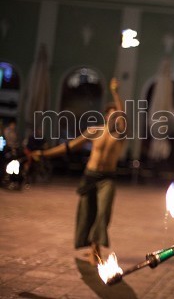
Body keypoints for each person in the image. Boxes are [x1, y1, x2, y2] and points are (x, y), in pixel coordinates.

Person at [32, 77, 126, 266]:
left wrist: (115, 92)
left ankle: (95, 250)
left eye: (117, 114)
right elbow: (69, 147)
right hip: (90, 176)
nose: (115, 117)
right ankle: (89, 247)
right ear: (106, 116)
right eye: (111, 114)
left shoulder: (120, 135)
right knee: (86, 213)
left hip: (107, 178)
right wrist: (43, 153)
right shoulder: (94, 131)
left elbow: (123, 116)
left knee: (103, 212)